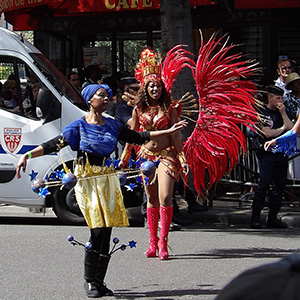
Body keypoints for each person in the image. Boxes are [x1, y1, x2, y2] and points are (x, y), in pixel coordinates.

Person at [16, 83, 187, 298]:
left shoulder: (113, 125)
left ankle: (100, 281)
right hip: (89, 182)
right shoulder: (79, 126)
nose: (107, 99)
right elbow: (54, 144)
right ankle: (89, 280)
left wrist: (168, 131)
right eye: (101, 96)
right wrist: (27, 155)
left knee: (106, 232)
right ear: (90, 100)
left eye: (107, 96)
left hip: (107, 181)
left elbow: (140, 137)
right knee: (97, 229)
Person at [119, 48, 189, 260]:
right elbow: (133, 136)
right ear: (145, 88)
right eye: (151, 85)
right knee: (151, 198)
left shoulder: (170, 108)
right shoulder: (138, 110)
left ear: (162, 87)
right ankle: (152, 242)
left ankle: (164, 242)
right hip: (146, 157)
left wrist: (182, 158)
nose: (154, 88)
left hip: (167, 155)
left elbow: (176, 136)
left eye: (157, 85)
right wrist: (124, 158)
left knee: (166, 196)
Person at [250, 85, 293, 229]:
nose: (280, 101)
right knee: (264, 185)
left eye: (281, 98)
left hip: (281, 153)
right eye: (277, 98)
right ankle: (255, 217)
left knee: (279, 186)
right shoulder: (263, 113)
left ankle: (273, 217)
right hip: (268, 154)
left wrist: (283, 114)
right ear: (270, 98)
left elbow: (292, 128)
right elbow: (267, 133)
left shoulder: (281, 112)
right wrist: (281, 130)